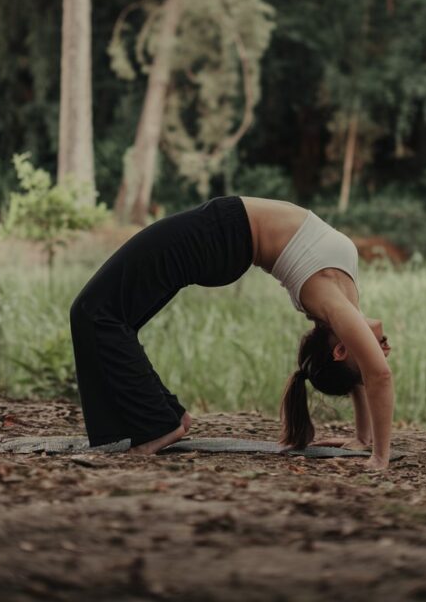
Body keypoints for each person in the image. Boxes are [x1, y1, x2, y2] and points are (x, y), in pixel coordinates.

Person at [70, 195, 393, 470]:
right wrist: (362, 439)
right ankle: (166, 417)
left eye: (371, 349)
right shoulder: (343, 302)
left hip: (221, 235)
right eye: (377, 348)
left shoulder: (329, 303)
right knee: (110, 315)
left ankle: (157, 426)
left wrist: (380, 457)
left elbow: (377, 375)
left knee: (92, 310)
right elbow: (364, 373)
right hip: (224, 234)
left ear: (340, 350)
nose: (382, 347)